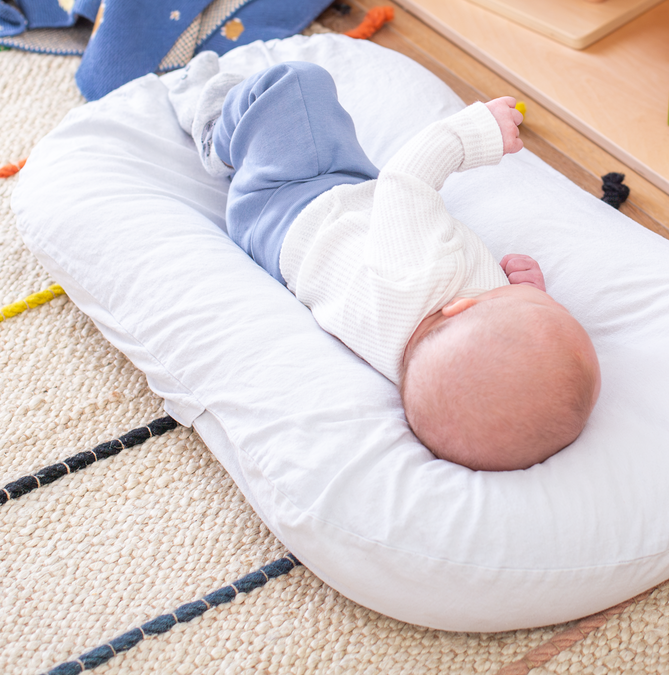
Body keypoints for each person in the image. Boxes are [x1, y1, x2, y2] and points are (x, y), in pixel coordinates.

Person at [211, 61, 600, 471]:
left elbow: (405, 179)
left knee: (296, 83)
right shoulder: (432, 373)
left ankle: (216, 134)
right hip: (290, 240)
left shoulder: (419, 274)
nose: (545, 297)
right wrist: (525, 292)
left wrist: (473, 133)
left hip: (292, 196)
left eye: (544, 304)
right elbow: (499, 345)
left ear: (462, 307)